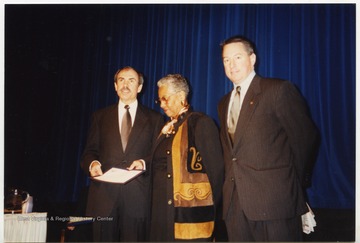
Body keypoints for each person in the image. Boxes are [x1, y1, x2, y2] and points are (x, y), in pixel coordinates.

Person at [217, 35, 319, 241]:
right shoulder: (223, 102)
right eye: (226, 60)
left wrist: (291, 185)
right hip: (234, 206)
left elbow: (305, 139)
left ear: (252, 59)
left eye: (237, 57)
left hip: (274, 202)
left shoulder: (277, 90)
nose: (231, 65)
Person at [129, 74, 224, 241]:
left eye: (165, 99)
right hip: (160, 213)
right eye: (160, 101)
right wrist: (143, 163)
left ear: (181, 96)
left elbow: (216, 174)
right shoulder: (167, 128)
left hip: (187, 216)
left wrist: (212, 216)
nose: (162, 105)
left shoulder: (200, 123)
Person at [80, 66, 164, 242]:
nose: (126, 84)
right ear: (115, 86)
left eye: (131, 80)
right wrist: (93, 164)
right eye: (121, 80)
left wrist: (143, 162)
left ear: (140, 87)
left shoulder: (155, 119)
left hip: (137, 199)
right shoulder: (100, 116)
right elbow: (89, 152)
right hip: (104, 199)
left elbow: (159, 156)